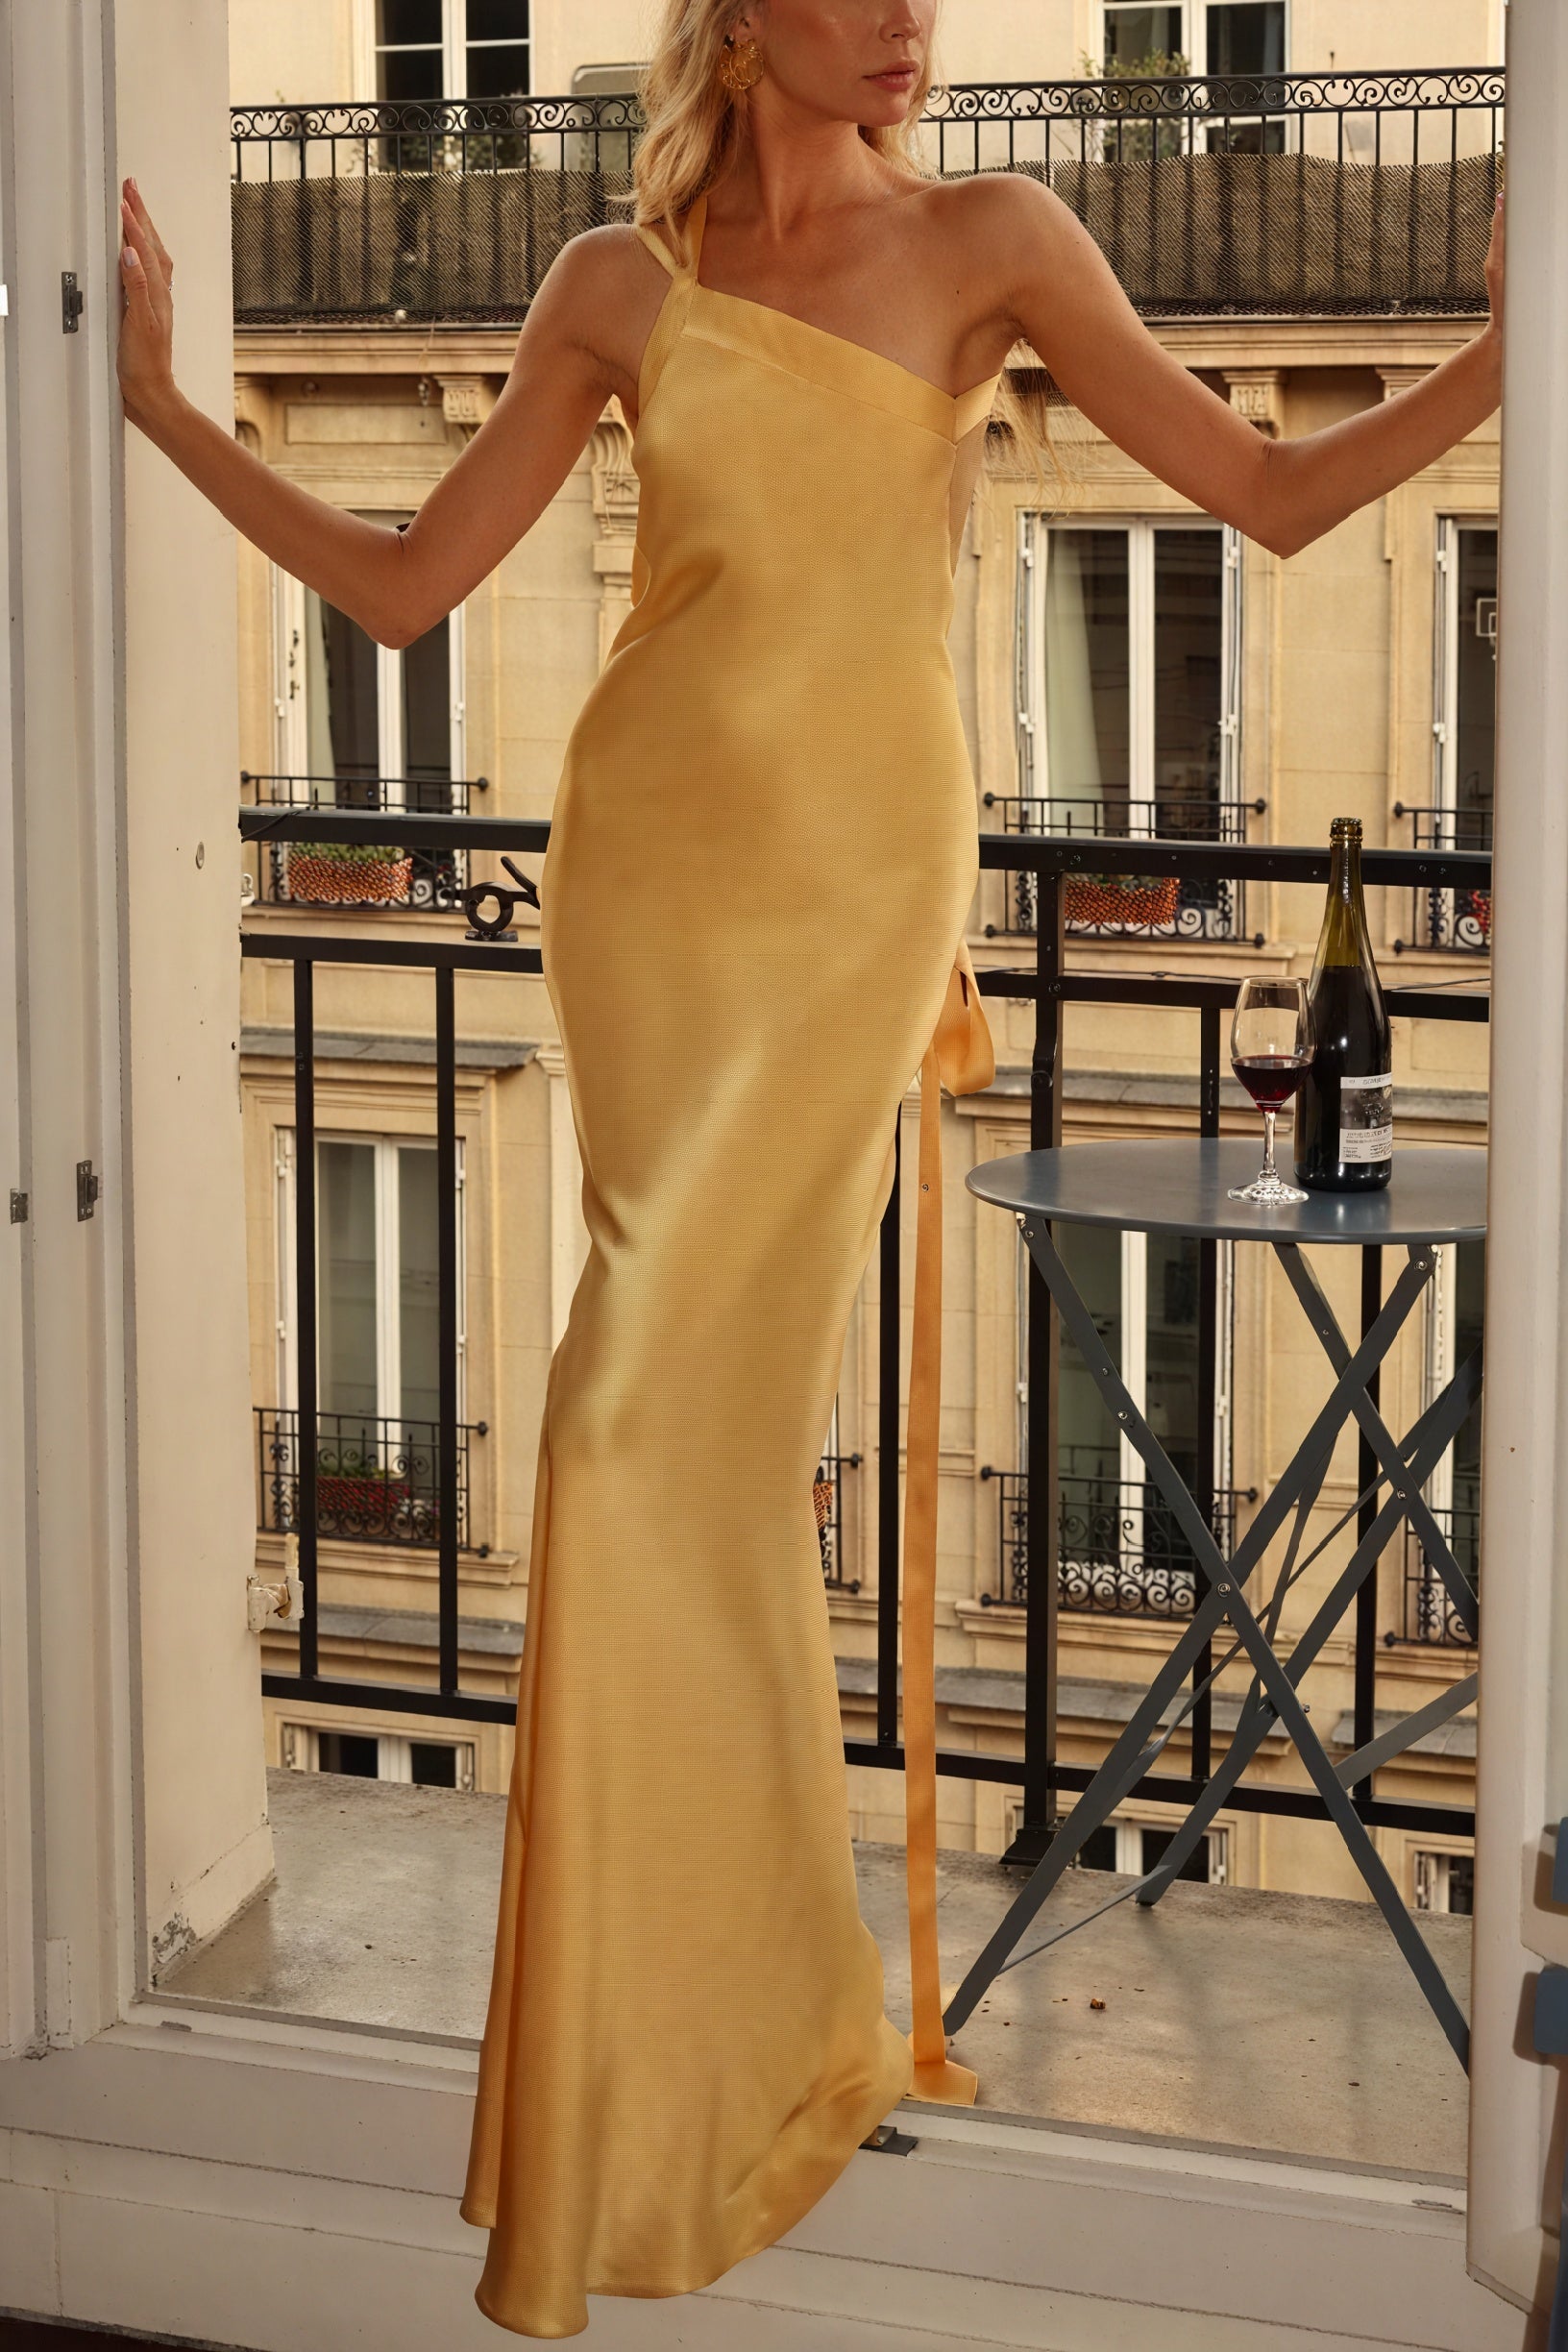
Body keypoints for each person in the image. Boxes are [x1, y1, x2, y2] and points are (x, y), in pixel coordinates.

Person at [117, 1, 1505, 2336]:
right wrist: (161, 406)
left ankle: (724, 2059)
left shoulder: (997, 237)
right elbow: (404, 586)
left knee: (622, 1431)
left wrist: (1501, 357)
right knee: (660, 1451)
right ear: (745, 11)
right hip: (649, 877)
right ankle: (683, 2056)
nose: (905, 20)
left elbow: (1268, 498)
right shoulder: (611, 281)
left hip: (856, 879)